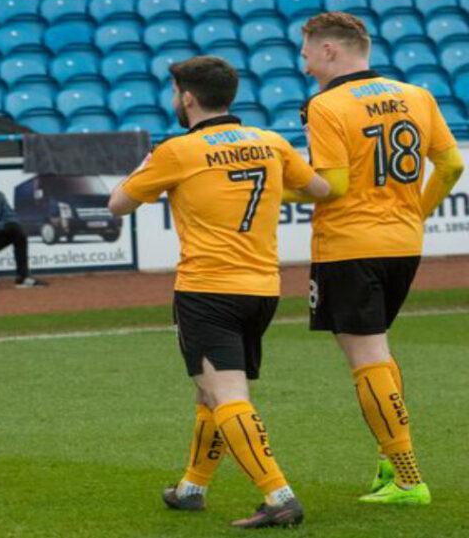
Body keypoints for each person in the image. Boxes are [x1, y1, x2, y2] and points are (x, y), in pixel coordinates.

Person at [108, 56, 330, 528]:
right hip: (262, 289)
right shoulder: (270, 142)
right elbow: (319, 188)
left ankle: (279, 496)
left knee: (226, 393)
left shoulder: (177, 151)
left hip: (207, 289)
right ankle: (192, 487)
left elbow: (118, 204)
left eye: (175, 92)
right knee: (208, 392)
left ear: (188, 98)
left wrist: (151, 163)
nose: (173, 100)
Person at [298, 11, 464, 505]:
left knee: (367, 360)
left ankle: (409, 478)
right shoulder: (417, 95)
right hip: (403, 244)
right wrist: (416, 213)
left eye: (307, 52)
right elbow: (451, 165)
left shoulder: (326, 105)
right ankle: (390, 464)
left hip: (350, 245)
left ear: (330, 49)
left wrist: (277, 190)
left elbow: (334, 185)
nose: (305, 63)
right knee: (379, 354)